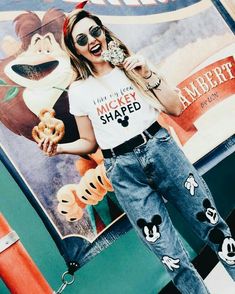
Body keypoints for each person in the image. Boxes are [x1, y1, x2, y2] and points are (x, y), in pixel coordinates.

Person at [39, 7, 235, 294]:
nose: (92, 40)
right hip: (122, 170)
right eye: (82, 39)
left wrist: (147, 74)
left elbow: (175, 108)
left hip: (160, 149)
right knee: (171, 256)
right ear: (76, 50)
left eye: (95, 32)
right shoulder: (79, 91)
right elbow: (89, 143)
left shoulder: (132, 66)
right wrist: (58, 148)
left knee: (211, 224)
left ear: (104, 33)